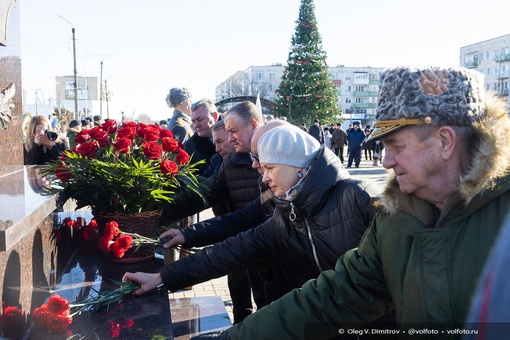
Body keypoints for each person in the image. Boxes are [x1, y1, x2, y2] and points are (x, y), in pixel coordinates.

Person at [200, 66, 510, 339]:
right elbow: (337, 295)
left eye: (396, 146)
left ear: (444, 141)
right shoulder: (397, 216)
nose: (386, 161)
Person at [122, 125, 381, 323]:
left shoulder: (360, 198)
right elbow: (233, 249)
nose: (264, 176)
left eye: (269, 167)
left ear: (299, 167)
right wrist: (162, 276)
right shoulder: (285, 208)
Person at [160, 101, 266, 323]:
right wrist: (154, 213)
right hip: (241, 242)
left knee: (270, 308)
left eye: (233, 132)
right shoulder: (230, 162)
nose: (228, 140)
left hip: (275, 255)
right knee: (242, 304)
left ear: (254, 125)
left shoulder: (277, 158)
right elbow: (201, 195)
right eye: (226, 134)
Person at [183, 99, 219, 175]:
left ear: (215, 116)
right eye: (193, 121)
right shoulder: (189, 147)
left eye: (200, 119)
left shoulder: (233, 135)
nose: (196, 125)